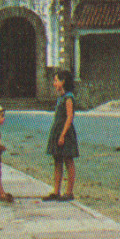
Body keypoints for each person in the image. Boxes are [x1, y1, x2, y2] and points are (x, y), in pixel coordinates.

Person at [43, 70, 78, 201]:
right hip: (57, 131)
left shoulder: (69, 98)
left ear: (63, 82)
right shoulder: (61, 98)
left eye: (56, 80)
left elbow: (70, 117)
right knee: (57, 161)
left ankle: (69, 192)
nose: (54, 83)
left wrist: (62, 135)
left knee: (68, 161)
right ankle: (56, 191)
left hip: (65, 132)